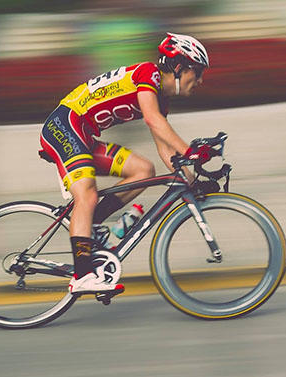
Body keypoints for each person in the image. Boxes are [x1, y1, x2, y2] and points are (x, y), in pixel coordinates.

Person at [39, 32, 210, 296]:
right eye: (197, 72)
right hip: (65, 125)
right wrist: (190, 150)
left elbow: (164, 147)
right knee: (87, 194)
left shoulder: (160, 98)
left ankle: (90, 224)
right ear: (179, 67)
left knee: (144, 170)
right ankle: (83, 276)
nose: (200, 80)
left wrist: (189, 178)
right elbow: (153, 121)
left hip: (82, 135)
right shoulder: (148, 74)